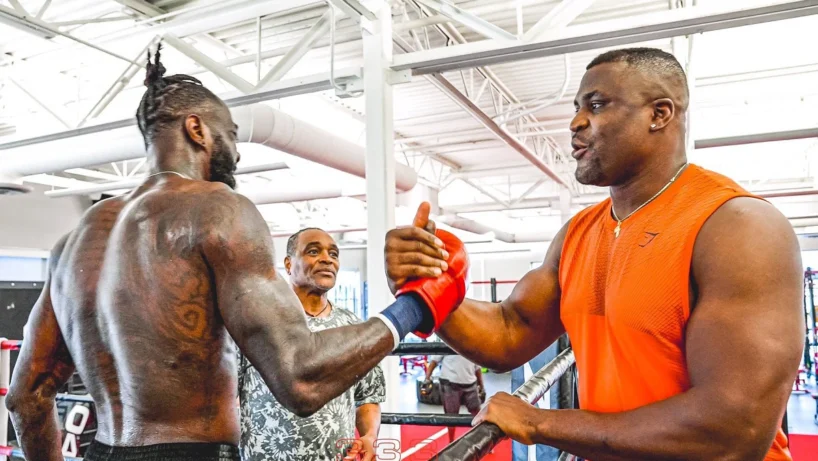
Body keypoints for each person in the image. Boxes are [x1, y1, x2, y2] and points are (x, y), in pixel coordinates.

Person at [5, 45, 466, 461]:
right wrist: (415, 306)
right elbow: (300, 378)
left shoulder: (74, 242)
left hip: (100, 451)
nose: (238, 153)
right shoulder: (218, 209)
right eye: (231, 133)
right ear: (197, 130)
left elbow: (26, 397)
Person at [384, 47, 803, 461]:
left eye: (597, 105)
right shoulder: (578, 234)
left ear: (660, 114)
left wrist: (540, 423)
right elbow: (511, 331)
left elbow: (734, 430)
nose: (575, 122)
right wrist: (424, 286)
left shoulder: (737, 227)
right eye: (577, 107)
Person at [238, 228, 385, 461]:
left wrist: (369, 436)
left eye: (334, 254)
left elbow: (368, 396)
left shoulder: (352, 327)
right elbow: (224, 397)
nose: (327, 259)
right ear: (288, 264)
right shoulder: (258, 323)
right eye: (314, 251)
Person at [423, 354, 484, 443]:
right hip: (450, 384)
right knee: (451, 417)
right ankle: (451, 442)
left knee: (477, 414)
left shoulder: (473, 345)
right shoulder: (448, 342)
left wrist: (481, 386)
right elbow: (434, 361)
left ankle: (483, 439)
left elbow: (477, 367)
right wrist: (427, 379)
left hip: (470, 384)